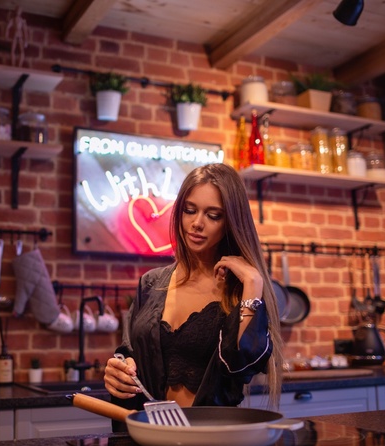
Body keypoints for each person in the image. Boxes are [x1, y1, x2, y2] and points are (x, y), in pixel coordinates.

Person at [104, 163, 282, 423]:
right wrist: (117, 368)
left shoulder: (240, 291)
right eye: (190, 210)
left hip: (210, 436)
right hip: (145, 434)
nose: (197, 223)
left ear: (230, 222)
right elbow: (129, 350)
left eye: (213, 215)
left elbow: (243, 363)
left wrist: (254, 282)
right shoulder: (151, 284)